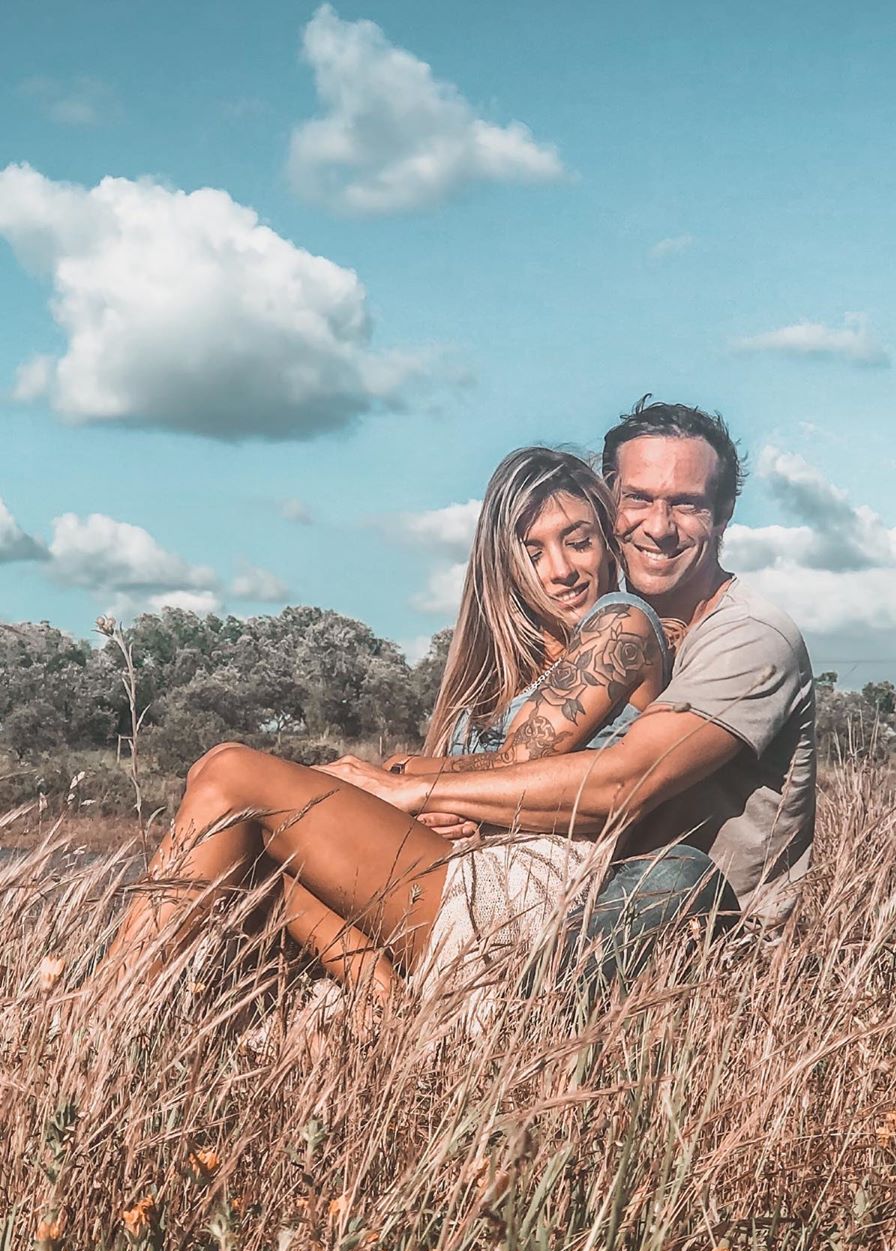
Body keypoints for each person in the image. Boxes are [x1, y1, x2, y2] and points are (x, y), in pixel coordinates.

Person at [98, 446, 706, 1011]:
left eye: (578, 542)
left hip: (523, 894)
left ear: (607, 544)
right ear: (504, 565)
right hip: (444, 874)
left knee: (231, 771)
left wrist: (407, 779)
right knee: (237, 824)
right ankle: (383, 1001)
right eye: (533, 551)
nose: (562, 569)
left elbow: (524, 762)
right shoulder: (495, 679)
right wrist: (427, 801)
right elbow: (480, 787)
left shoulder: (623, 623)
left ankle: (97, 1015)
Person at [344, 399, 816, 936]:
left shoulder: (749, 636)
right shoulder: (592, 632)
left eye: (686, 504)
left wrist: (414, 784)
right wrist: (440, 797)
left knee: (675, 875)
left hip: (706, 936)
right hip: (589, 908)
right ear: (610, 505)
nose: (659, 527)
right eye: (638, 498)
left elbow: (622, 782)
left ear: (724, 513)